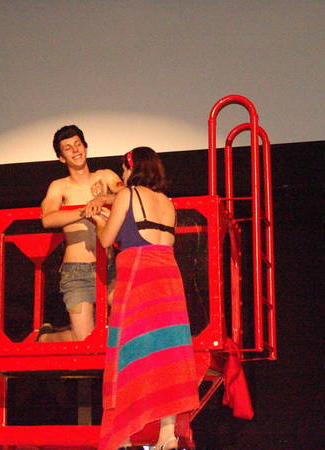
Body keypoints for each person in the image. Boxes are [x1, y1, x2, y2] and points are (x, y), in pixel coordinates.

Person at [88, 147, 199, 450]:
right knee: (167, 355)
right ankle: (167, 435)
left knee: (127, 352)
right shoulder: (167, 202)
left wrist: (98, 218)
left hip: (139, 277)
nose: (122, 176)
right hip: (169, 280)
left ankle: (123, 434)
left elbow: (107, 239)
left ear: (132, 168)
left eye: (124, 169)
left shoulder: (129, 194)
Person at [40, 125, 124, 341]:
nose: (75, 150)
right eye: (68, 148)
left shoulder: (105, 176)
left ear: (86, 147)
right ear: (61, 158)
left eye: (78, 144)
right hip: (77, 271)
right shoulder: (59, 186)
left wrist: (102, 199)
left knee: (128, 320)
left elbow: (128, 195)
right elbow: (48, 218)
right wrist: (84, 211)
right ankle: (47, 338)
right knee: (84, 340)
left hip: (110, 266)